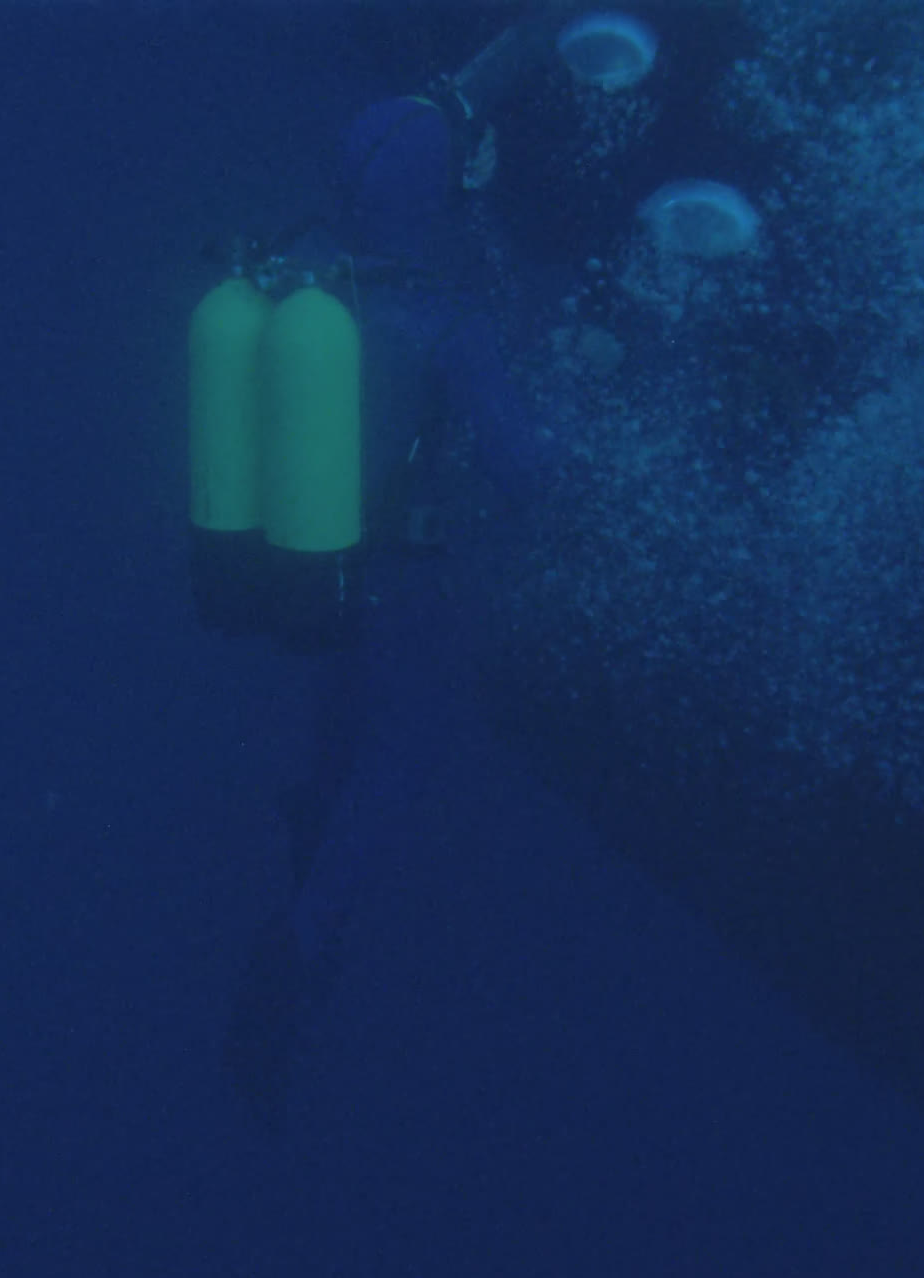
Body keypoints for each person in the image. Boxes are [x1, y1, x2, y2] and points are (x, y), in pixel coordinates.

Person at [189, 24, 548, 1135]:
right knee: (402, 749)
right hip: (410, 589)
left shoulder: (304, 287)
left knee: (341, 709)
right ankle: (301, 938)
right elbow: (527, 475)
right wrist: (583, 388)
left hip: (320, 568)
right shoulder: (447, 322)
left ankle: (306, 829)